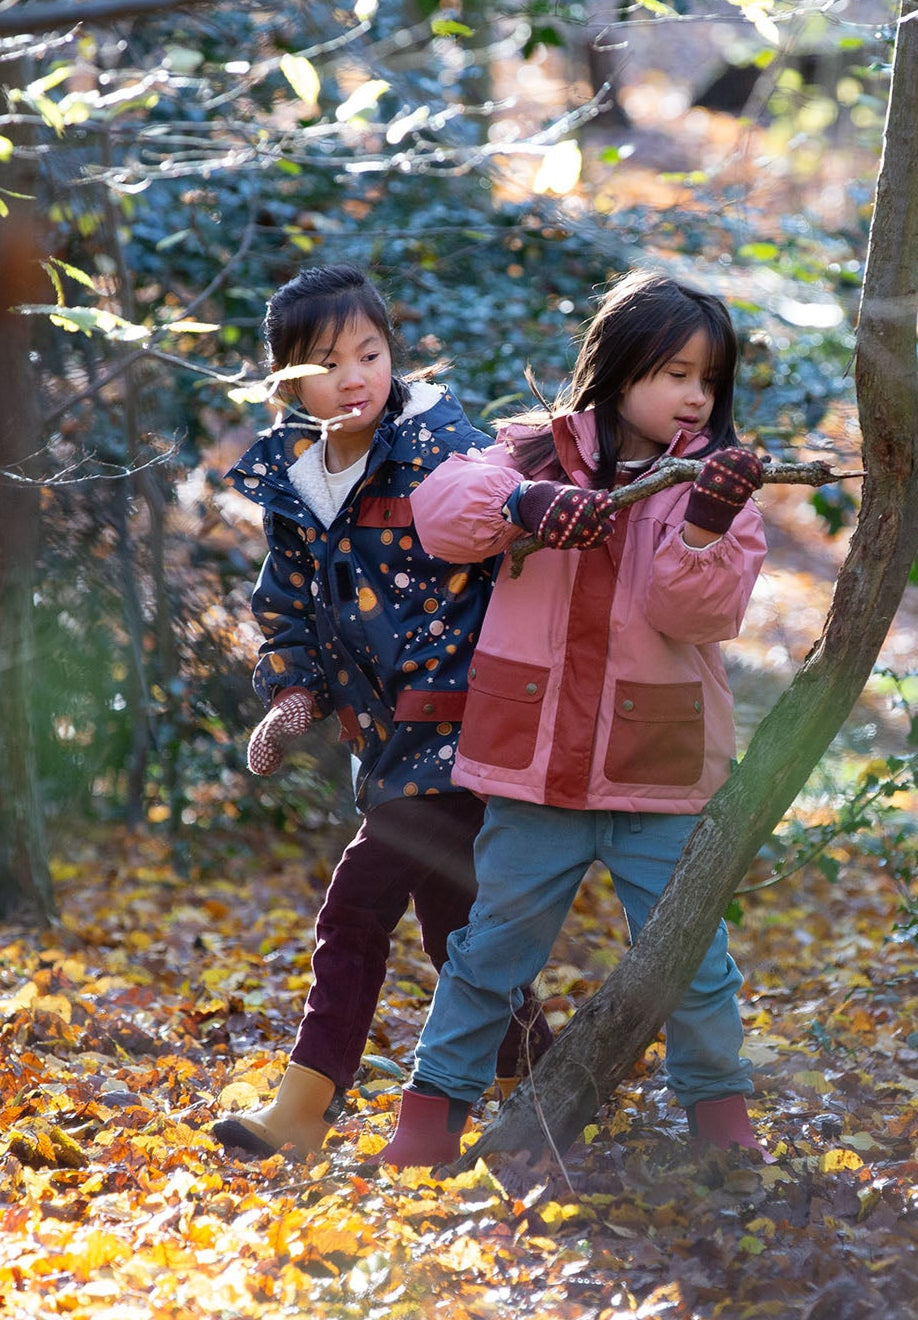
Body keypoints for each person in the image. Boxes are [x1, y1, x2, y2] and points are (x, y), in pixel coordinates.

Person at [379, 267, 770, 1168]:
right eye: (674, 371)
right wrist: (520, 502)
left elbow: (698, 615)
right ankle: (428, 1123)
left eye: (709, 379)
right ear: (620, 366)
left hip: (657, 773)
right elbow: (441, 518)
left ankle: (723, 1127)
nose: (694, 395)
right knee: (488, 957)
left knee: (694, 962)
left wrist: (706, 527)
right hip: (534, 767)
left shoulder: (720, 480)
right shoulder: (532, 448)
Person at [213, 264, 550, 1162]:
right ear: (288, 381)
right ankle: (545, 1081)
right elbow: (287, 605)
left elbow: (504, 523)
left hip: (460, 725)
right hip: (384, 741)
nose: (354, 375)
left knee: (355, 909)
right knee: (456, 929)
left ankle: (301, 1108)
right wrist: (292, 695)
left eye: (370, 351)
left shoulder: (437, 449)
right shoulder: (295, 485)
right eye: (327, 362)